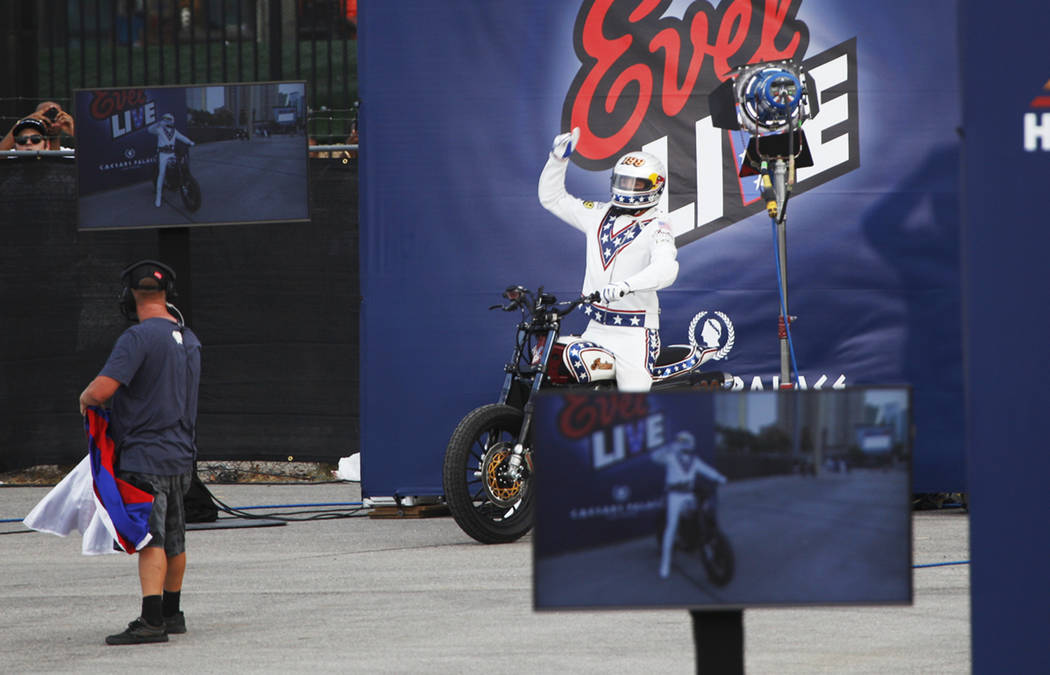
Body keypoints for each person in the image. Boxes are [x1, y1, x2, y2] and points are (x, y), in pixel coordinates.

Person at [79, 260, 202, 645]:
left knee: (151, 540)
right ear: (169, 294)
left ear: (130, 295)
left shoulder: (138, 338)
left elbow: (102, 391)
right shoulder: (189, 339)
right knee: (176, 538)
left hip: (145, 457)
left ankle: (151, 621)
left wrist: (85, 398)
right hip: (180, 455)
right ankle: (172, 612)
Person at [538, 127, 679, 392]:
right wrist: (557, 159)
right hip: (596, 327)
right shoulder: (598, 214)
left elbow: (666, 268)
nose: (627, 188)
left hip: (634, 335)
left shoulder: (658, 224)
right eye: (622, 181)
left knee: (633, 407)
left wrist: (627, 285)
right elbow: (553, 199)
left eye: (636, 184)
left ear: (655, 186)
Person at [650, 431, 727, 579]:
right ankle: (665, 563)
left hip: (689, 494)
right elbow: (654, 457)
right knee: (671, 527)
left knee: (701, 514)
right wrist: (668, 448)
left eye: (686, 441)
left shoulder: (694, 460)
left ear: (691, 443)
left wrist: (719, 477)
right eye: (681, 441)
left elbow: (707, 470)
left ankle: (698, 540)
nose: (684, 444)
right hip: (674, 495)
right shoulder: (671, 456)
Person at [147, 113, 195, 207]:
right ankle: (158, 197)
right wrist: (158, 124)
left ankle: (178, 183)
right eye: (165, 119)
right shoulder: (159, 129)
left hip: (172, 153)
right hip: (162, 154)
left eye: (169, 119)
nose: (167, 121)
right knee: (161, 173)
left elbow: (182, 137)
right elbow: (150, 130)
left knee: (180, 166)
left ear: (172, 120)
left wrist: (190, 142)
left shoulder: (174, 131)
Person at [0, 101, 75, 151]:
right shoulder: (20, 150)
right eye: (22, 140)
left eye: (55, 116)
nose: (28, 143)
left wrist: (74, 130)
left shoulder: (69, 153)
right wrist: (24, 122)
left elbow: (83, 159)